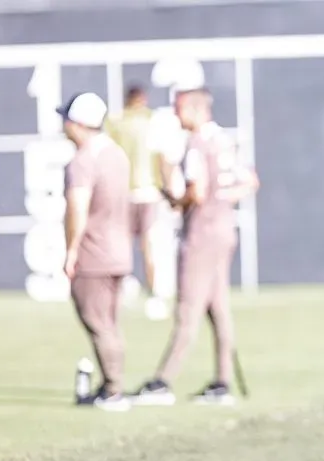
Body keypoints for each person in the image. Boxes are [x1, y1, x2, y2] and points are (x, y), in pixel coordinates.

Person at [130, 86, 258, 406]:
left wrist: (176, 200)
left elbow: (196, 192)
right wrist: (222, 198)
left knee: (188, 309)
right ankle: (222, 382)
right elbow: (250, 182)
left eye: (180, 109)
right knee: (218, 309)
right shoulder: (224, 141)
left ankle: (163, 381)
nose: (176, 115)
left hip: (201, 235)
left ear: (197, 110)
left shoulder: (198, 144)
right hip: (224, 231)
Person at [59, 92, 134, 412]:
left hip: (94, 252)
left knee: (98, 323)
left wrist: (71, 249)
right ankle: (109, 385)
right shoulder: (116, 154)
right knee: (109, 323)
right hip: (118, 250)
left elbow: (77, 207)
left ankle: (114, 390)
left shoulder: (83, 160)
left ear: (78, 123)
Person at [105, 85, 169, 320]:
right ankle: (154, 294)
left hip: (124, 191)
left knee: (122, 243)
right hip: (149, 191)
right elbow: (161, 157)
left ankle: (123, 288)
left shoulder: (116, 123)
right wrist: (166, 186)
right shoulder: (152, 121)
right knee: (148, 244)